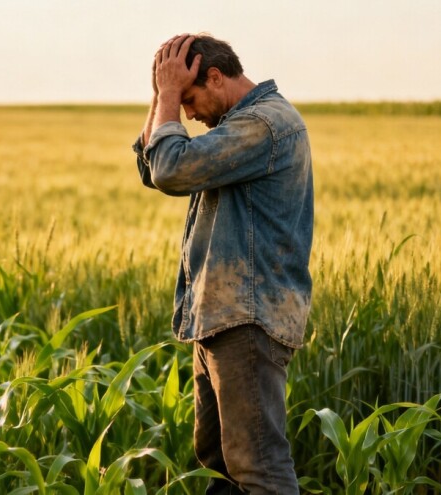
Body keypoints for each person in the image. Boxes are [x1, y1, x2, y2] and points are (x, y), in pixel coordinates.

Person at [132, 33, 313, 494]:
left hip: (246, 320)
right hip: (220, 317)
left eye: (189, 99)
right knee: (219, 466)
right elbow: (155, 168)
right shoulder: (239, 126)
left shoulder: (264, 125)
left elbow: (172, 169)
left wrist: (169, 94)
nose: (187, 114)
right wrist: (163, 93)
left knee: (258, 468)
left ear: (215, 77)